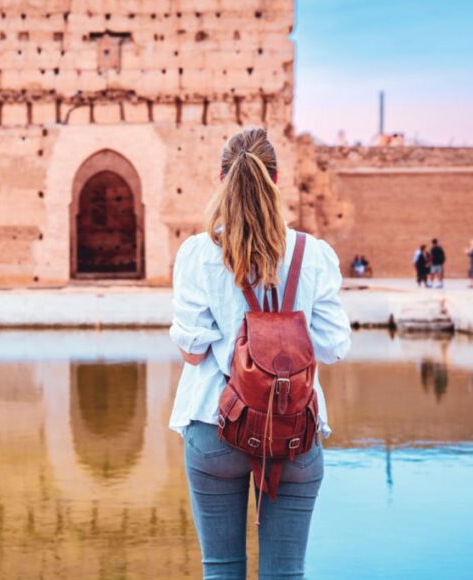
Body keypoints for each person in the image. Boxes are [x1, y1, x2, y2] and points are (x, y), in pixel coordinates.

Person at [169, 127, 351, 578]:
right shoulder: (314, 254)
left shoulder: (197, 254)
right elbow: (332, 347)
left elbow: (193, 353)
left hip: (217, 425)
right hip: (295, 430)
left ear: (221, 178)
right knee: (285, 574)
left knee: (221, 569)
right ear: (276, 179)